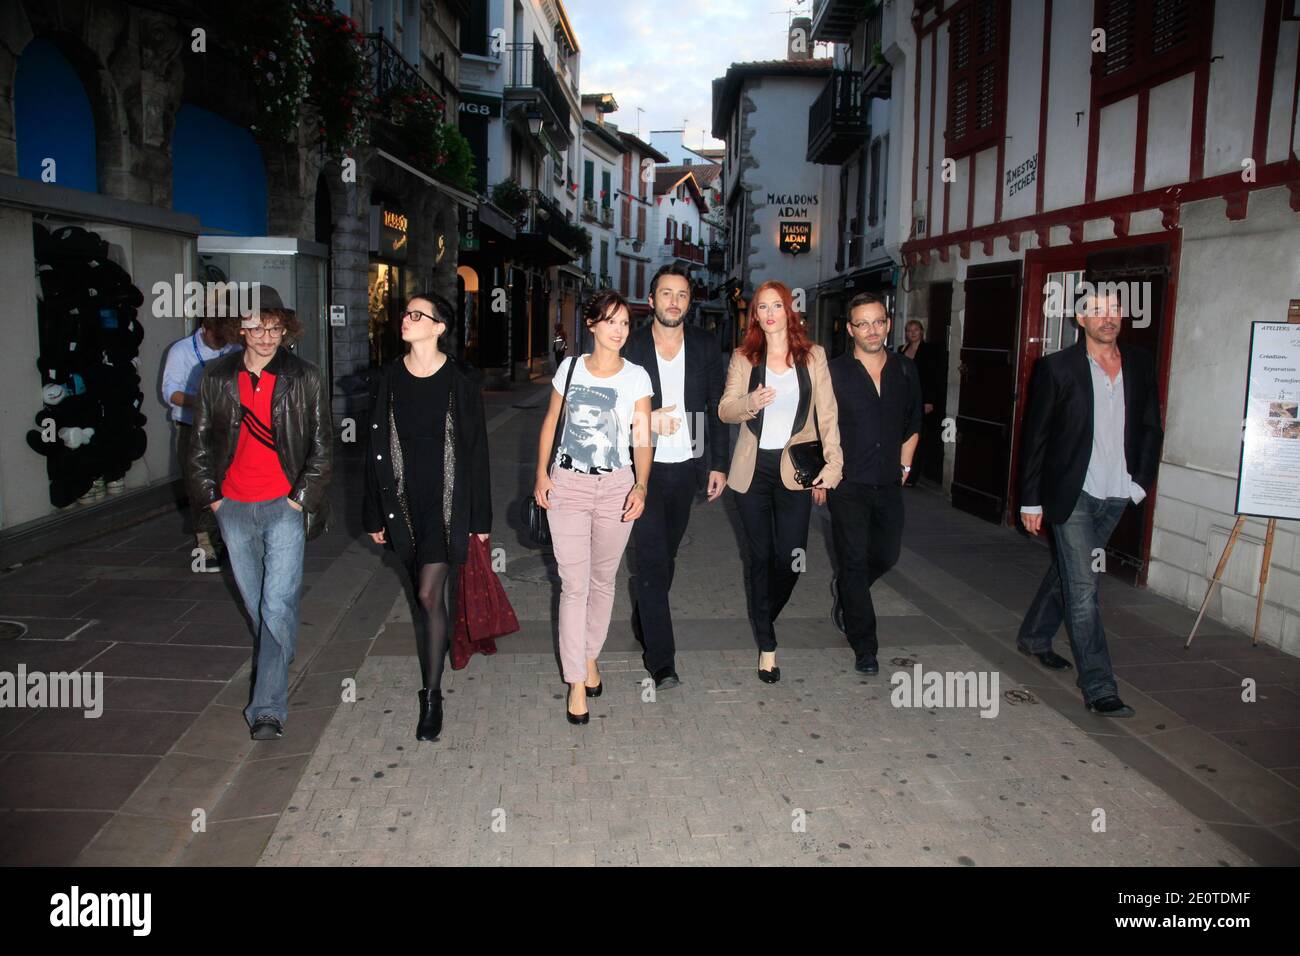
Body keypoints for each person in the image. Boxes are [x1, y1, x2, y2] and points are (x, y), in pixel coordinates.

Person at [188, 293, 333, 741]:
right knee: (260, 607)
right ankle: (279, 650)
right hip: (233, 507)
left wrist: (299, 499)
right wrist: (214, 500)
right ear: (241, 331)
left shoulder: (304, 376)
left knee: (275, 604)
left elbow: (323, 445)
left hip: (284, 507)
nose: (267, 338)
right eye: (257, 328)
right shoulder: (215, 377)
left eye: (275, 329)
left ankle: (267, 707)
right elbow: (197, 446)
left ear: (285, 330)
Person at [1017, 289, 1163, 718]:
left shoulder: (1138, 363)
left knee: (1069, 570)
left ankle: (1034, 637)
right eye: (1097, 310)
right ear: (1080, 320)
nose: (1108, 317)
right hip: (1072, 493)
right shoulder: (1057, 368)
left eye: (1115, 309)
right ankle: (1099, 686)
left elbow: (1152, 425)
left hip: (1118, 492)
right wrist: (1030, 500)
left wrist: (1141, 483)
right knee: (1084, 589)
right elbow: (1036, 437)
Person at [363, 292, 491, 742]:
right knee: (425, 591)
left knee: (425, 593)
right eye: (406, 313)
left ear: (439, 327)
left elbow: (477, 451)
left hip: (447, 501)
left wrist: (481, 518)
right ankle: (438, 660)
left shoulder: (461, 379)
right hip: (402, 500)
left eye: (418, 315)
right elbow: (372, 453)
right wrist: (373, 513)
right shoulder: (387, 378)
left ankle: (431, 696)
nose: (406, 319)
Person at [534, 290, 653, 725]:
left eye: (625, 323)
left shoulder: (637, 377)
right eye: (612, 321)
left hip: (617, 486)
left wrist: (641, 485)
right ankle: (576, 682)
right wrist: (541, 474)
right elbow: (551, 422)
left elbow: (642, 436)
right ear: (593, 325)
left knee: (603, 581)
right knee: (573, 585)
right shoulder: (570, 369)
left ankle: (589, 657)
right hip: (568, 485)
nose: (620, 330)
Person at [719, 280, 842, 683]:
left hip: (796, 470)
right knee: (759, 556)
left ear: (789, 310)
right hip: (753, 471)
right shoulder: (744, 357)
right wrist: (750, 403)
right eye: (762, 307)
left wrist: (833, 465)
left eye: (777, 306)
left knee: (791, 558)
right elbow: (724, 410)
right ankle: (767, 646)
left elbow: (827, 415)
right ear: (754, 314)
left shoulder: (813, 356)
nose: (769, 313)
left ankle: (761, 614)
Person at [623, 264, 729, 690]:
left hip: (686, 467)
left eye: (682, 295)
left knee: (665, 560)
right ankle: (662, 661)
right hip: (641, 469)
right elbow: (612, 408)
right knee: (650, 560)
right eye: (666, 293)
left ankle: (643, 612)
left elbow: (715, 406)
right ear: (651, 302)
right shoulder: (630, 347)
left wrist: (717, 463)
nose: (673, 301)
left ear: (690, 302)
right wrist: (644, 423)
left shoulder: (705, 345)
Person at [827, 293, 922, 674]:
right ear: (851, 329)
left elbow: (913, 422)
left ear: (887, 323)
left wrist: (904, 467)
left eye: (878, 321)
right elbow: (820, 427)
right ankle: (864, 646)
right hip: (847, 483)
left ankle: (849, 593)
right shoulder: (834, 372)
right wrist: (823, 473)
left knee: (886, 555)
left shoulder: (904, 369)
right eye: (863, 323)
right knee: (852, 560)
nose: (872, 330)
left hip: (888, 481)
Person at [162, 312, 239, 571]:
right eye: (218, 337)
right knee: (199, 485)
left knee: (229, 482)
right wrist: (207, 399)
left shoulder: (234, 348)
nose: (222, 342)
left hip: (227, 427)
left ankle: (230, 539)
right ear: (204, 328)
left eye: (226, 338)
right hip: (192, 427)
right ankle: (206, 545)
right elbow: (171, 393)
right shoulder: (181, 351)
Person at [897, 319, 939, 487]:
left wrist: (929, 400)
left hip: (921, 397)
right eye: (909, 330)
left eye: (916, 330)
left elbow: (933, 377)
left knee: (917, 434)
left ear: (922, 332)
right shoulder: (901, 350)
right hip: (903, 398)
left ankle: (912, 474)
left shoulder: (929, 351)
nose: (913, 333)